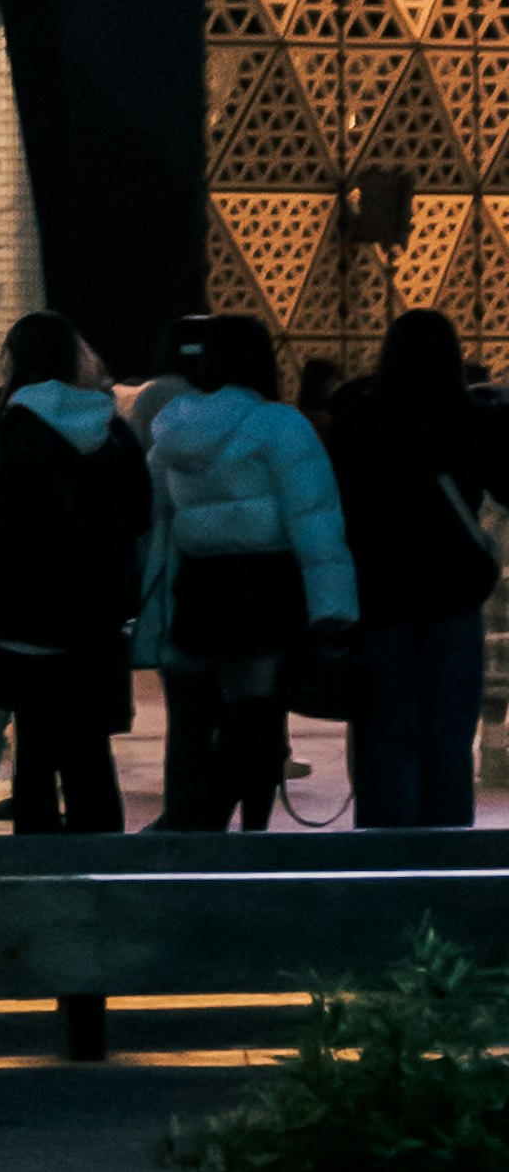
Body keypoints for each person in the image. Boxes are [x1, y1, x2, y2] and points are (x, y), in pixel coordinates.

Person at [136, 310, 356, 832]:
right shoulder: (279, 426)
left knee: (206, 716)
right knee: (257, 714)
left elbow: (160, 524)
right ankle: (246, 826)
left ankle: (196, 823)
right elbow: (315, 522)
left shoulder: (175, 430)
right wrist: (334, 607)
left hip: (200, 586)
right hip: (264, 586)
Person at [0, 315, 151, 831]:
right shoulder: (113, 432)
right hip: (97, 625)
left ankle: (40, 878)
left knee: (35, 754)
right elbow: (141, 522)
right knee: (89, 753)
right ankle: (101, 872)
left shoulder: (14, 427)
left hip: (24, 627)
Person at [324, 307, 509, 828]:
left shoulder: (360, 422)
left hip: (381, 598)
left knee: (385, 736)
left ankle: (384, 862)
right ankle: (445, 857)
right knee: (449, 740)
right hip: (452, 598)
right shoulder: (468, 419)